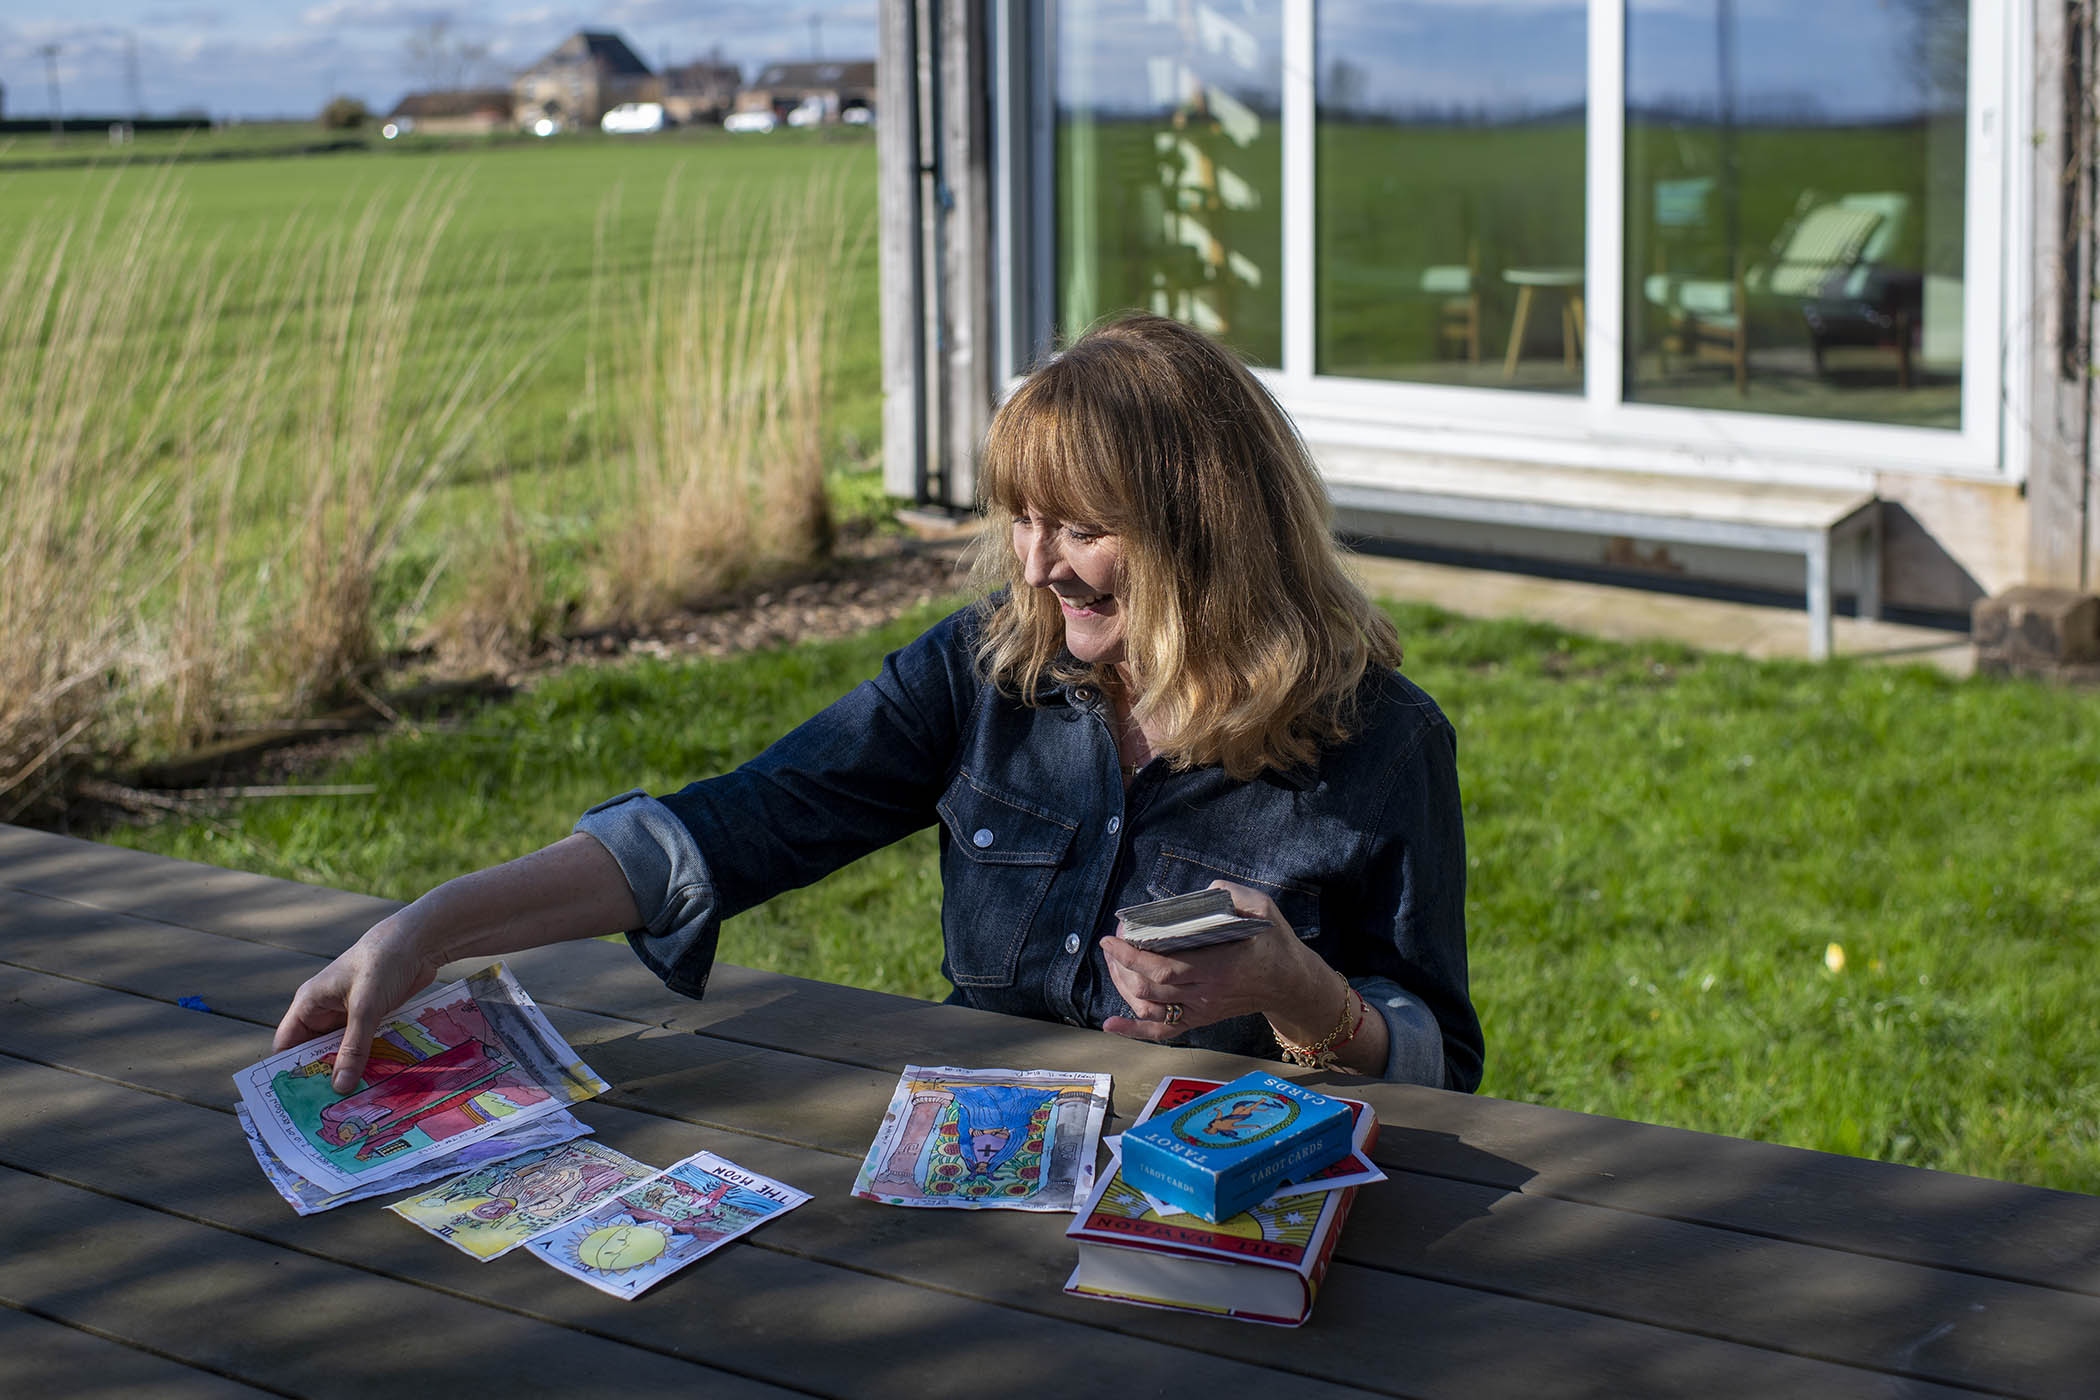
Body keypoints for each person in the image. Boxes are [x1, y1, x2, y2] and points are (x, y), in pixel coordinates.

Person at [275, 312, 1482, 1093]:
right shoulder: (984, 675)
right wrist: (427, 928)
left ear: (1204, 532)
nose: (1034, 561)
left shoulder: (1378, 740)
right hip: (979, 1161)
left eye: (1083, 527)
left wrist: (1295, 991)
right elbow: (729, 825)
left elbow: (1439, 1064)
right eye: (1020, 515)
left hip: (1215, 1204)